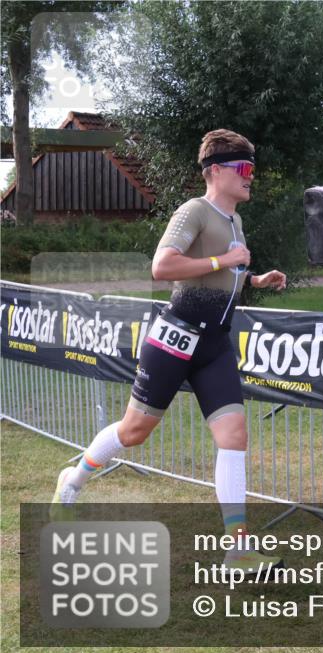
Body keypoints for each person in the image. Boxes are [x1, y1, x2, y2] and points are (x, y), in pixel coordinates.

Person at [51, 129, 288, 574]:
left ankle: (237, 549)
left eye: (253, 170)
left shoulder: (234, 220)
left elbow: (222, 274)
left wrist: (254, 281)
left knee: (234, 436)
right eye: (245, 169)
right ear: (215, 170)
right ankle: (74, 477)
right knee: (134, 431)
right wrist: (225, 262)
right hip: (176, 338)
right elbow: (163, 267)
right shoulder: (194, 210)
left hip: (214, 346)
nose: (251, 178)